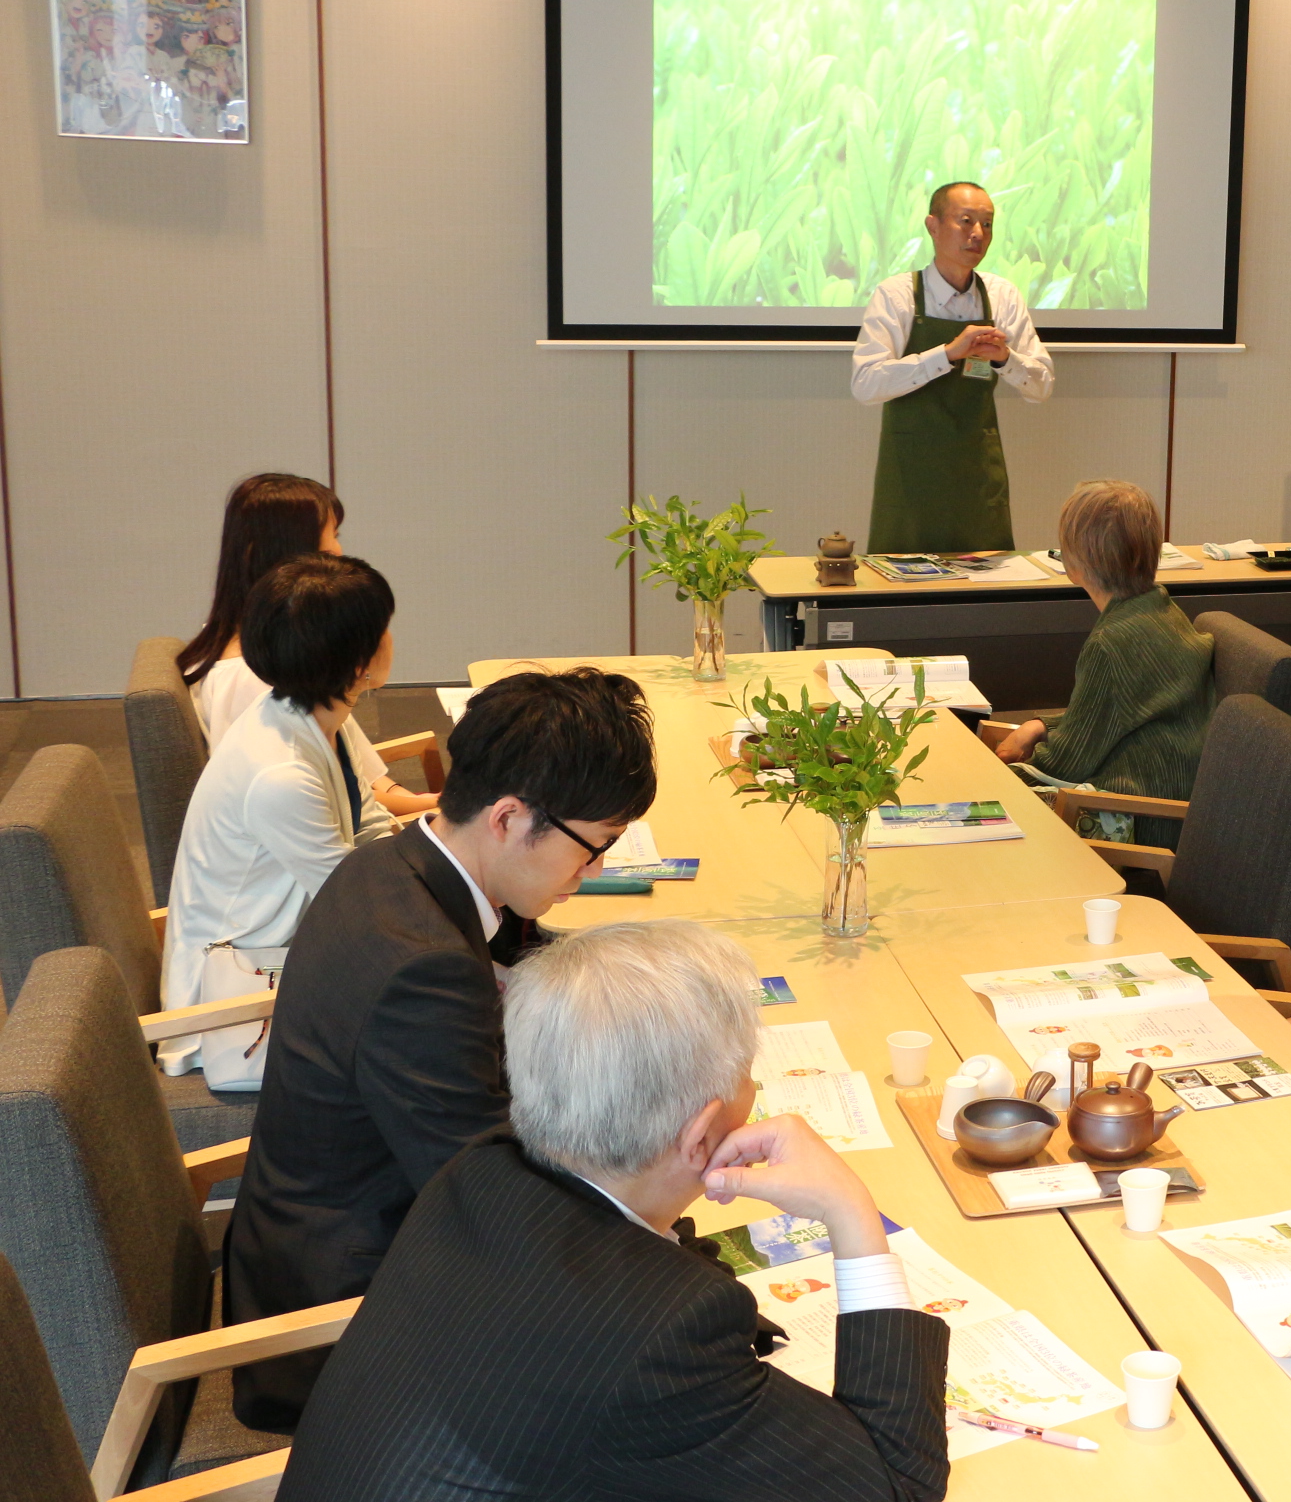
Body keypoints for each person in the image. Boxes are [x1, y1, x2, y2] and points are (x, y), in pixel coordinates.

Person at [276, 919, 949, 1500]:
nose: (756, 1087)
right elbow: (897, 1484)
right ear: (701, 1135)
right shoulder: (659, 1341)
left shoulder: (484, 1167)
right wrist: (852, 1213)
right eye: (748, 1074)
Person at [225, 667, 657, 1429]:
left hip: (316, 1235)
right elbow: (488, 1202)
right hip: (342, 1326)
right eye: (592, 849)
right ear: (508, 818)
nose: (592, 875)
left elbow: (506, 952)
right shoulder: (419, 972)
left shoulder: (392, 865)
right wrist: (659, 1234)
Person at [159, 555, 399, 1087]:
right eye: (383, 628)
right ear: (357, 659)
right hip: (239, 1007)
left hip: (287, 952)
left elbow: (371, 826)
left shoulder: (311, 713)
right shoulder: (281, 774)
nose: (391, 638)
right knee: (444, 1023)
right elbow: (355, 902)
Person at [177, 471, 437, 818]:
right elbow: (308, 806)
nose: (339, 553)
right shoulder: (249, 675)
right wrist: (440, 808)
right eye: (330, 541)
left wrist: (424, 802)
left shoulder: (259, 644)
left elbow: (359, 780)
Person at [992, 481, 1215, 845]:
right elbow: (1112, 712)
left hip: (1139, 816)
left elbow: (1068, 760)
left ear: (1077, 561)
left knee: (987, 798)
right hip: (1176, 801)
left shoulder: (1109, 644)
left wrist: (1008, 770)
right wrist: (1039, 725)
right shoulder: (1163, 611)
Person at [849, 181, 1055, 553]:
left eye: (988, 224)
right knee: (902, 593)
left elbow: (1041, 386)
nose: (978, 234)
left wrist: (1005, 359)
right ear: (933, 226)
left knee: (984, 596)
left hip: (978, 477)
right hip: (910, 478)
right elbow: (865, 384)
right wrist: (946, 354)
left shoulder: (1002, 295)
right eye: (966, 221)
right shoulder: (897, 295)